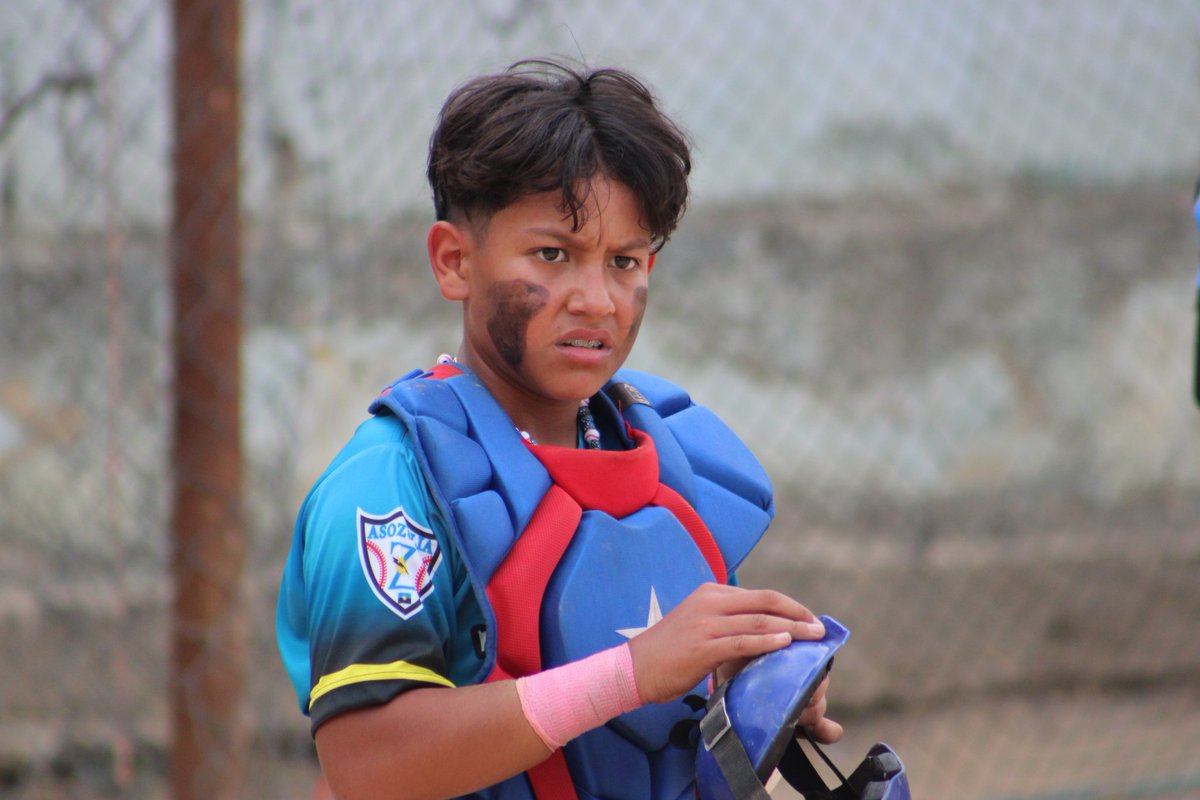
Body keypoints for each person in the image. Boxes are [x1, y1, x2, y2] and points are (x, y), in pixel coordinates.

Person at [276, 58, 842, 800]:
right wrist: (630, 674)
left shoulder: (667, 450)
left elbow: (649, 724)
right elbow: (368, 762)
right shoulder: (392, 485)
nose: (597, 299)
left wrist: (750, 689)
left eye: (625, 260)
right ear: (454, 261)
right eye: (554, 254)